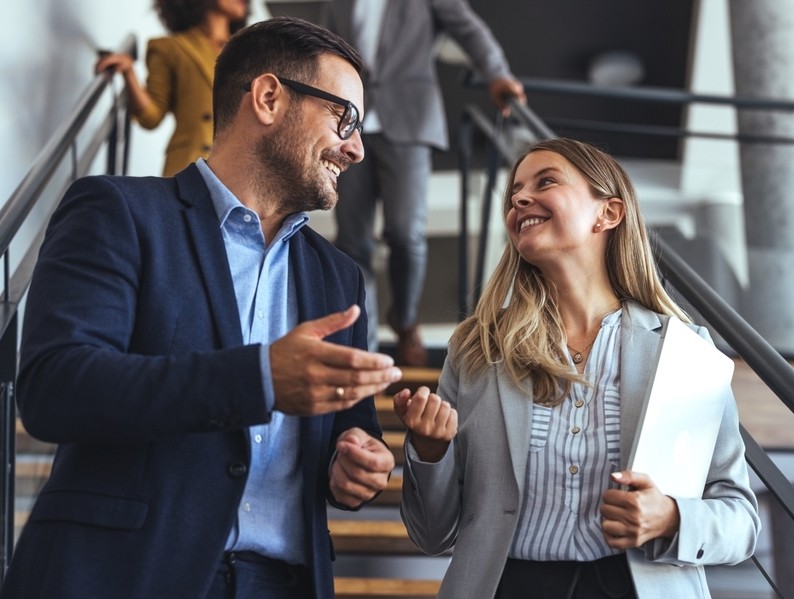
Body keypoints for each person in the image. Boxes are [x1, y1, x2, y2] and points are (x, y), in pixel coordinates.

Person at [1, 16, 402, 599]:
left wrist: (357, 463)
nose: (357, 148)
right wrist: (259, 378)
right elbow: (55, 387)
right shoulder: (118, 213)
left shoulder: (339, 278)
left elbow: (350, 430)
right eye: (345, 118)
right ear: (267, 98)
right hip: (129, 575)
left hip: (285, 584)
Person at [394, 138, 761, 598]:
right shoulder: (475, 350)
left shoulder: (686, 352)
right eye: (514, 193)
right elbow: (432, 535)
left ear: (608, 213)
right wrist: (430, 452)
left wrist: (670, 517)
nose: (519, 199)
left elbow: (741, 520)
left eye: (545, 182)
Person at [324, 0, 526, 366]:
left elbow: (468, 29)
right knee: (352, 243)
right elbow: (325, 50)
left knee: (405, 233)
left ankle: (404, 320)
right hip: (348, 125)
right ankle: (363, 347)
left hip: (410, 122)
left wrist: (497, 74)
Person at [96, 0, 250, 176]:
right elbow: (152, 116)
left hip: (241, 169)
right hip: (190, 164)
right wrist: (129, 73)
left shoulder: (251, 53)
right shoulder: (170, 47)